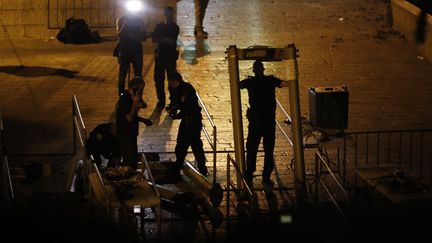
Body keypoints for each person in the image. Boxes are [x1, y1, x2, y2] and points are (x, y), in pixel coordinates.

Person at [240, 60, 289, 187]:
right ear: (263, 69)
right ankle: (266, 177)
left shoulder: (250, 82)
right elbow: (285, 84)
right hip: (268, 122)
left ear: (253, 70)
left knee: (251, 149)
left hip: (256, 121)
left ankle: (249, 175)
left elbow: (236, 85)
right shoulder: (270, 80)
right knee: (268, 150)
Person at [167, 71, 208, 176]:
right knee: (194, 145)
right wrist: (173, 108)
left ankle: (178, 168)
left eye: (171, 83)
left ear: (175, 81)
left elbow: (187, 107)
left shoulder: (186, 89)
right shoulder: (180, 89)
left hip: (191, 121)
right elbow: (178, 103)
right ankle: (202, 168)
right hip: (189, 120)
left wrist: (176, 115)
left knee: (184, 145)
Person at [115, 77, 153, 170]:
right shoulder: (125, 98)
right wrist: (135, 103)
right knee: (129, 160)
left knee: (133, 158)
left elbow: (142, 107)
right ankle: (127, 178)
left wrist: (144, 120)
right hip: (125, 133)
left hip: (130, 132)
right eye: (141, 88)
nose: (142, 91)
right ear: (135, 87)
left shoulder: (132, 96)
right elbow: (129, 117)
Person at [152, 6, 180, 110]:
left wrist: (161, 38)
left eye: (171, 14)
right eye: (168, 14)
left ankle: (173, 100)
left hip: (170, 56)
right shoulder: (159, 26)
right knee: (158, 79)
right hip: (160, 56)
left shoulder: (174, 27)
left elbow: (172, 40)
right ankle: (161, 100)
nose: (169, 16)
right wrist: (165, 39)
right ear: (165, 15)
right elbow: (154, 38)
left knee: (172, 79)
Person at [114, 13, 146, 96]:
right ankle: (121, 94)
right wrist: (125, 24)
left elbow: (144, 37)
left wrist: (132, 36)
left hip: (136, 51)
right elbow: (119, 34)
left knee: (138, 75)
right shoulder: (121, 19)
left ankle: (138, 95)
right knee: (122, 74)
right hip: (125, 51)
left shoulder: (139, 20)